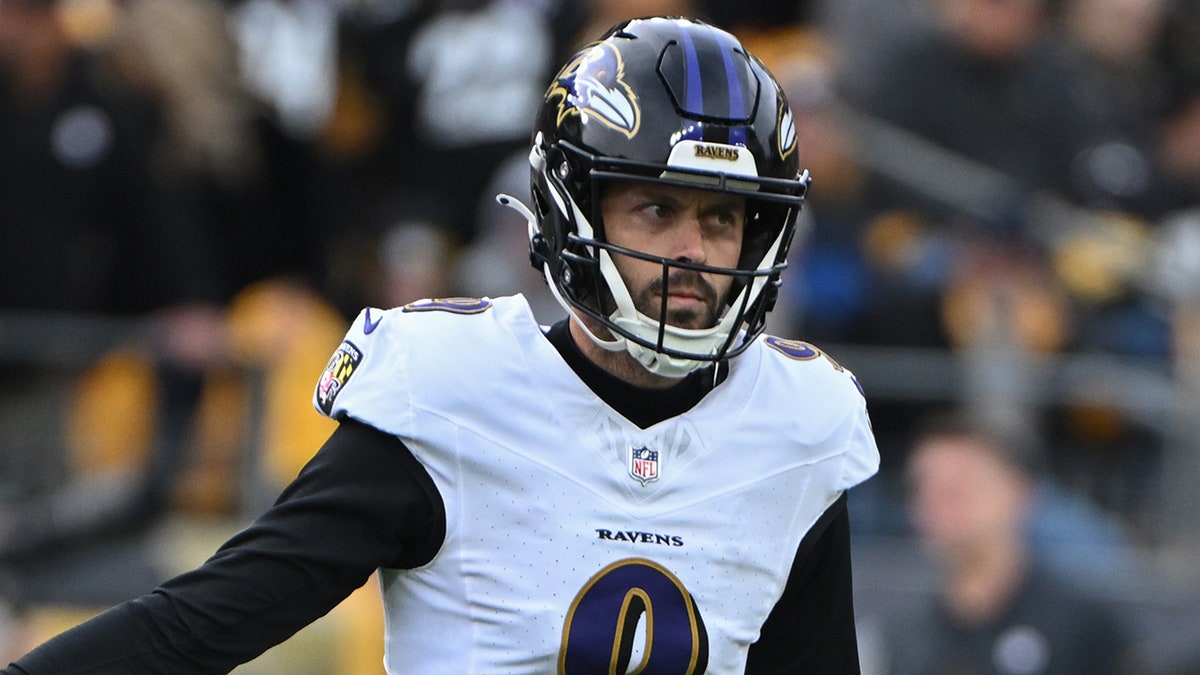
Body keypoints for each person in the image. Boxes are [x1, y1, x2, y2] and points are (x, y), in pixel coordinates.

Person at [1, 16, 880, 674]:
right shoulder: (450, 392)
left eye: (722, 219)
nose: (691, 252)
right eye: (658, 208)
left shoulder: (798, 426)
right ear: (575, 210)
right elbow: (205, 619)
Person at [873, 412, 1136, 675]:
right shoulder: (903, 633)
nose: (938, 503)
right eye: (924, 487)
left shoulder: (1081, 627)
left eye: (961, 486)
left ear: (1019, 492)